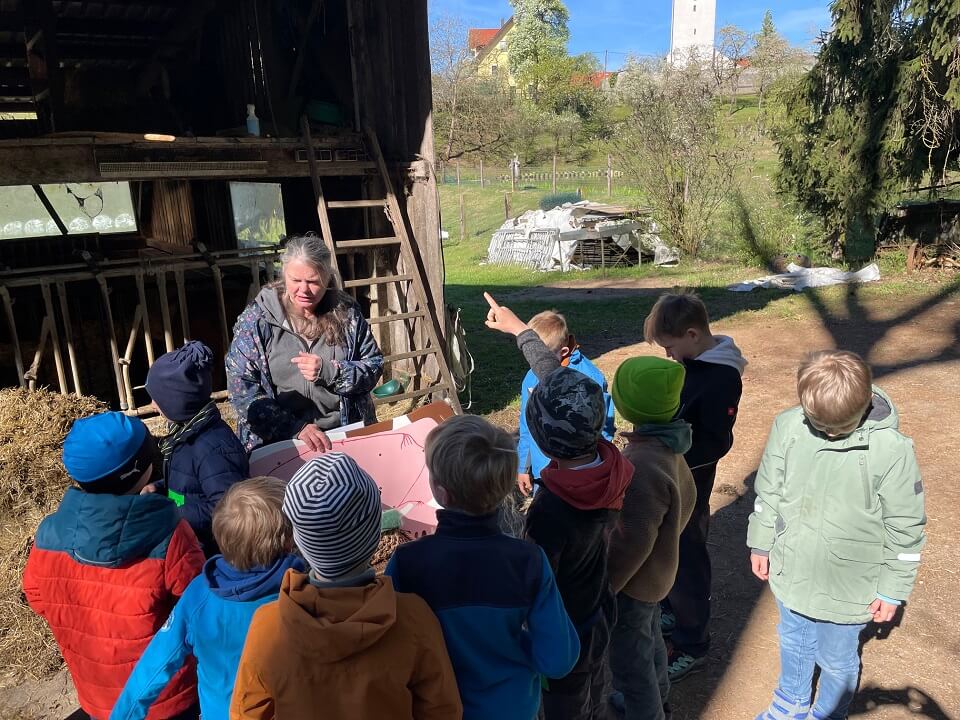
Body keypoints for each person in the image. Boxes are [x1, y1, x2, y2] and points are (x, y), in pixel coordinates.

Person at [748, 350, 925, 720]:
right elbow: (769, 492)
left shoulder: (892, 451)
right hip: (793, 567)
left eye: (839, 427)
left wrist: (892, 588)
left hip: (850, 583)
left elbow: (906, 526)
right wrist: (760, 542)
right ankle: (791, 700)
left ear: (865, 404)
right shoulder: (788, 427)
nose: (829, 433)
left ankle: (829, 712)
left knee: (836, 658)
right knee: (793, 640)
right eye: (819, 424)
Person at [484, 292, 632, 720]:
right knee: (595, 686)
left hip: (565, 630)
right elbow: (560, 383)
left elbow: (532, 583)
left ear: (542, 441)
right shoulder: (612, 464)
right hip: (600, 610)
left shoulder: (551, 510)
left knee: (567, 704)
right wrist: (520, 330)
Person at [230, 453, 462, 720]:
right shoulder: (414, 619)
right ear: (375, 534)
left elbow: (245, 713)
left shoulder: (267, 627)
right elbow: (444, 711)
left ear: (298, 541)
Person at [386, 415, 579, 720]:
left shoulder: (407, 562)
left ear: (441, 492)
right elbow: (558, 660)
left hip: (437, 706)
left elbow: (392, 652)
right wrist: (516, 646)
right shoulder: (528, 561)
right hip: (512, 709)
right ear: (503, 489)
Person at [22, 412, 204, 720]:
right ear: (139, 469)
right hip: (164, 697)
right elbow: (199, 607)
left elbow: (37, 597)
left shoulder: (48, 533)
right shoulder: (169, 532)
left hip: (99, 696)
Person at [110, 476, 305, 720]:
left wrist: (122, 716)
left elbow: (156, 663)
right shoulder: (299, 594)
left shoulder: (199, 593)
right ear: (288, 541)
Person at [643, 291, 747, 680]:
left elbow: (718, 441)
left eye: (670, 347)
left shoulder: (721, 377)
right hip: (674, 470)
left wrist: (674, 449)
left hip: (692, 477)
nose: (669, 355)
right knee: (668, 545)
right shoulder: (694, 363)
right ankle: (673, 609)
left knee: (687, 554)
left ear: (692, 334)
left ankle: (692, 641)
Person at [225, 234, 384, 453]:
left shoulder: (347, 313)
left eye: (313, 282)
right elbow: (242, 389)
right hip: (280, 443)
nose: (304, 290)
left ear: (327, 278)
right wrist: (293, 427)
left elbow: (374, 365)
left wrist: (333, 373)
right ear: (284, 275)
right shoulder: (258, 318)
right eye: (295, 280)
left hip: (342, 435)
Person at [606, 357, 697, 720]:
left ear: (626, 405)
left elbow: (632, 541)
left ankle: (646, 710)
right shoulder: (671, 447)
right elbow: (686, 501)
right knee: (650, 642)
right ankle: (658, 700)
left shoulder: (640, 464)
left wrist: (607, 586)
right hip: (657, 576)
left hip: (634, 585)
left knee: (632, 663)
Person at [144, 340, 248, 556]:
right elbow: (190, 486)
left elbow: (229, 511)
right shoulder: (184, 433)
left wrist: (170, 510)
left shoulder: (213, 449)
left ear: (178, 402)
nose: (153, 406)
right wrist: (161, 488)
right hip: (194, 544)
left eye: (157, 399)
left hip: (213, 555)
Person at [517, 310, 615, 496]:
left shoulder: (588, 378)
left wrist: (599, 467)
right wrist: (523, 466)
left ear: (563, 352)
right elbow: (526, 424)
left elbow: (604, 427)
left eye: (539, 354)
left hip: (581, 476)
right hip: (543, 471)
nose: (534, 361)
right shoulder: (531, 378)